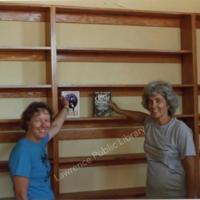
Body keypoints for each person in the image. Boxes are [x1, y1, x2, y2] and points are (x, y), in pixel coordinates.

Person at [110, 80, 196, 198]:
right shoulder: (150, 122)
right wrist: (119, 110)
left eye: (158, 100)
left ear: (168, 103)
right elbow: (140, 116)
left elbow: (192, 169)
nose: (153, 105)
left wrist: (193, 197)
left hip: (175, 195)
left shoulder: (181, 130)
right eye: (150, 102)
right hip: (152, 193)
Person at [9, 98, 69, 200]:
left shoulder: (39, 142)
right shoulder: (23, 150)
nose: (44, 125)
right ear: (28, 122)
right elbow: (21, 196)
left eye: (47, 120)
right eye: (38, 120)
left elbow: (56, 125)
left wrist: (66, 107)